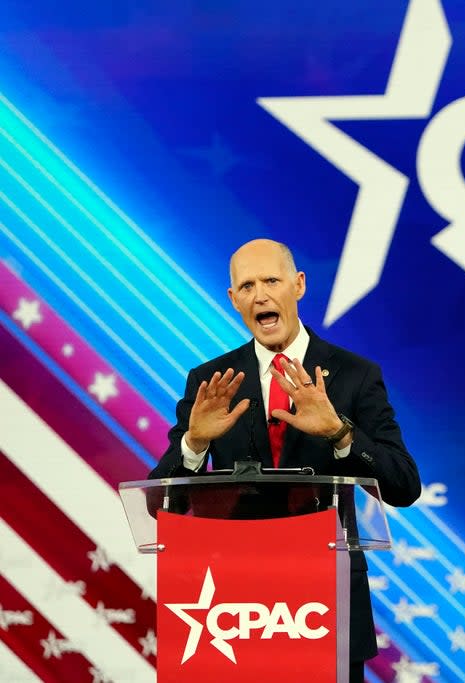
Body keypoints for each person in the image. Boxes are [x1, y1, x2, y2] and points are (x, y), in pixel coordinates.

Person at [149, 238, 420, 681]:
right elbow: (160, 507)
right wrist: (194, 444)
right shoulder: (212, 382)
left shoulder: (354, 375)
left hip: (326, 601)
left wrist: (339, 432)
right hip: (236, 608)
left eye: (271, 280)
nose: (260, 295)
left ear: (298, 285)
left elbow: (405, 486)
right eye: (247, 285)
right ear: (233, 299)